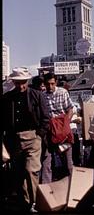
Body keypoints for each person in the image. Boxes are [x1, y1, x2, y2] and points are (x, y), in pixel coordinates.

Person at [2, 67, 50, 212]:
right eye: (18, 83)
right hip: (15, 139)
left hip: (33, 137)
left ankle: (34, 201)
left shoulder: (37, 95)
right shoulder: (7, 97)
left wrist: (39, 136)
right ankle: (26, 201)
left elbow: (46, 118)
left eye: (23, 82)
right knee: (19, 171)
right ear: (13, 82)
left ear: (27, 81)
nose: (21, 86)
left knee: (31, 170)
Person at [41, 73, 74, 183]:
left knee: (68, 162)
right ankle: (46, 190)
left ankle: (72, 185)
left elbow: (70, 109)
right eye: (47, 84)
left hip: (62, 130)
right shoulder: (42, 95)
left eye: (52, 84)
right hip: (49, 131)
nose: (50, 86)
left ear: (56, 82)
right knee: (46, 162)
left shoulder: (62, 92)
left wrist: (65, 124)